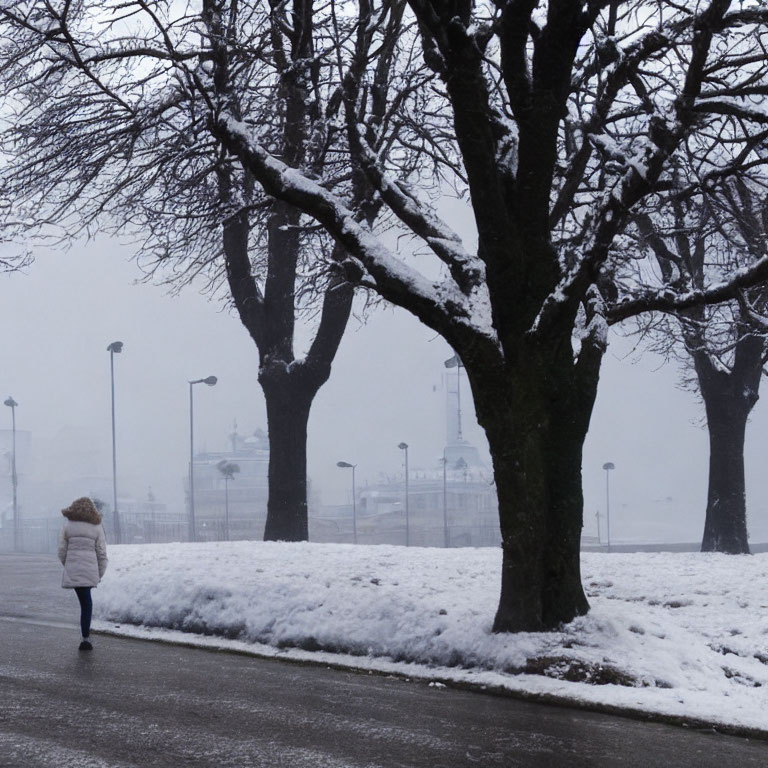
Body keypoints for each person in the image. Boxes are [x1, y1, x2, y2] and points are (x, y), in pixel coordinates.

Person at [58, 497, 108, 651]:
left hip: (74, 570)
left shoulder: (67, 526)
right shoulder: (97, 527)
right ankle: (85, 639)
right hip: (90, 572)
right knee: (87, 605)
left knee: (85, 603)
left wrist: (69, 566)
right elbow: (102, 553)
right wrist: (99, 574)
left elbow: (61, 551)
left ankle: (85, 637)